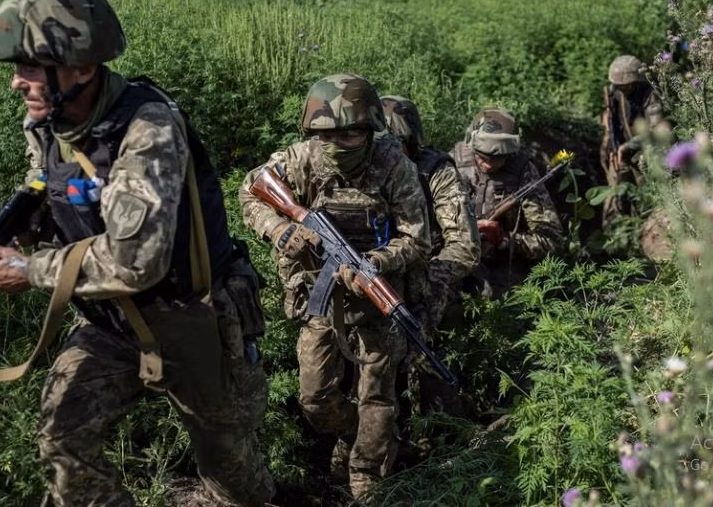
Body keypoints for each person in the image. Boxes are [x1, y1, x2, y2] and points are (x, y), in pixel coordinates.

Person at [0, 0, 274, 507]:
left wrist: (30, 269)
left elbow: (137, 262)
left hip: (191, 318)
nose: (17, 82)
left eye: (30, 68)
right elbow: (54, 189)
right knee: (62, 441)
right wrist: (23, 233)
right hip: (109, 319)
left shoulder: (147, 128)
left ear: (82, 68)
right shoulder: (49, 123)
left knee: (229, 468)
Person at [239, 74, 430, 501]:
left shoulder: (394, 166)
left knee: (377, 395)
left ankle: (366, 474)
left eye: (348, 134)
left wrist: (374, 263)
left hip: (377, 295)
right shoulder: (299, 159)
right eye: (325, 135)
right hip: (319, 297)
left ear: (369, 130)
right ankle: (355, 434)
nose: (336, 144)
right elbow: (251, 190)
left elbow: (417, 238)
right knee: (315, 397)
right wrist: (280, 229)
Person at [380, 95, 480, 418]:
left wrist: (426, 284)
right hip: (378, 277)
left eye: (395, 143)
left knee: (429, 370)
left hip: (430, 279)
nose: (387, 152)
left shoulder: (436, 172)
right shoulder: (366, 170)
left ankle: (441, 428)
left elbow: (464, 246)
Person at [450, 107, 564, 298]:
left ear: (510, 153)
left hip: (501, 265)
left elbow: (551, 240)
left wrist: (504, 240)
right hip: (455, 255)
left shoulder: (523, 172)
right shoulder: (454, 162)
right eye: (482, 156)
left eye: (497, 158)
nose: (488, 164)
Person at [600, 55, 666, 225]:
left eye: (626, 85)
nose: (622, 89)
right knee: (618, 197)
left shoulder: (650, 95)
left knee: (646, 198)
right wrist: (614, 149)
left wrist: (628, 146)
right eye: (619, 86)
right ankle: (621, 231)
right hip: (621, 155)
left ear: (636, 81)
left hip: (646, 154)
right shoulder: (614, 94)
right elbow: (613, 123)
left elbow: (655, 129)